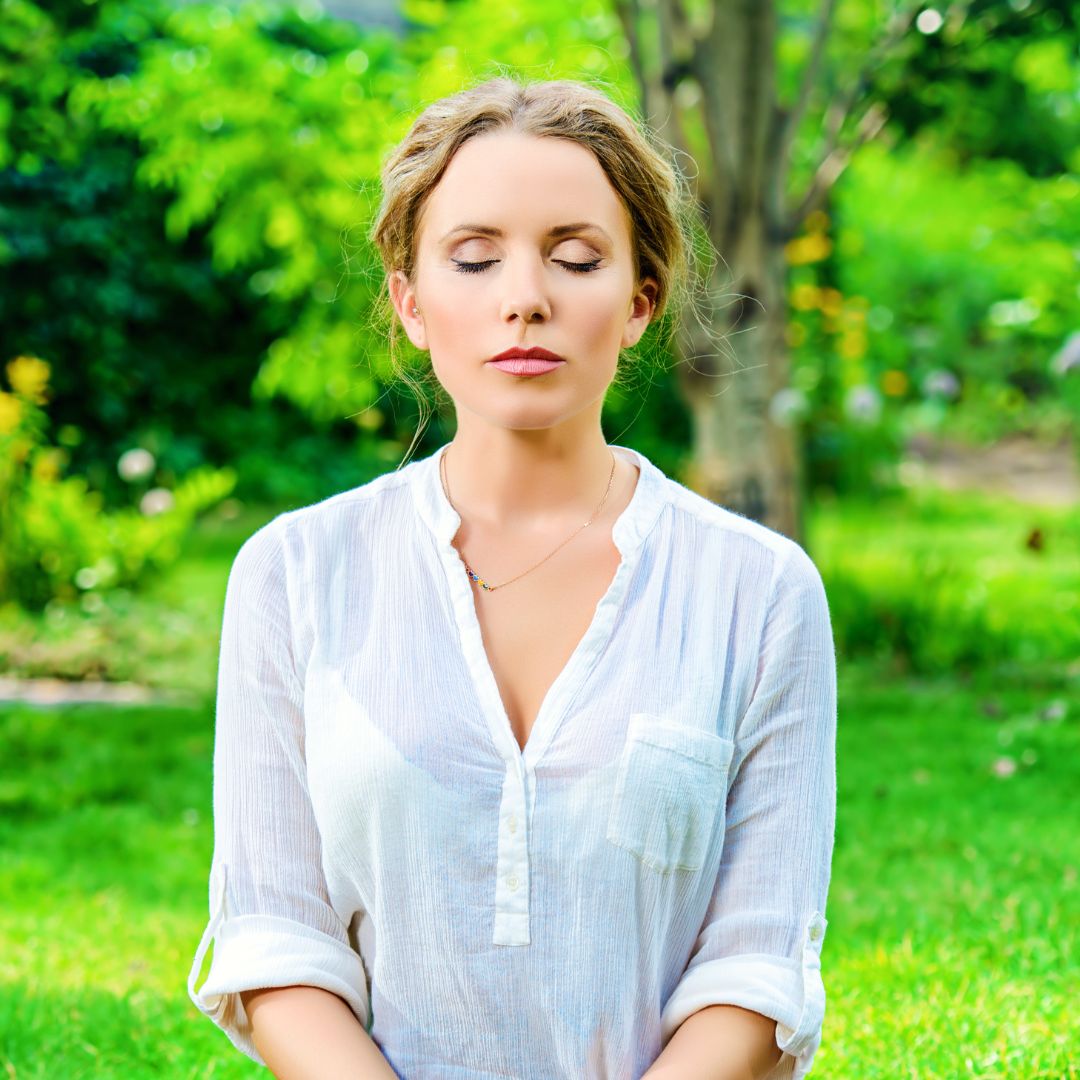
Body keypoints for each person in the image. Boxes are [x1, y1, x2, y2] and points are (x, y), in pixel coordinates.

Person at [187, 76, 837, 1080]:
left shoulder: (756, 589)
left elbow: (755, 966)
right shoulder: (294, 573)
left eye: (576, 258)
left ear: (638, 303)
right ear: (410, 303)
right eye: (474, 257)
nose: (524, 296)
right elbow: (277, 940)